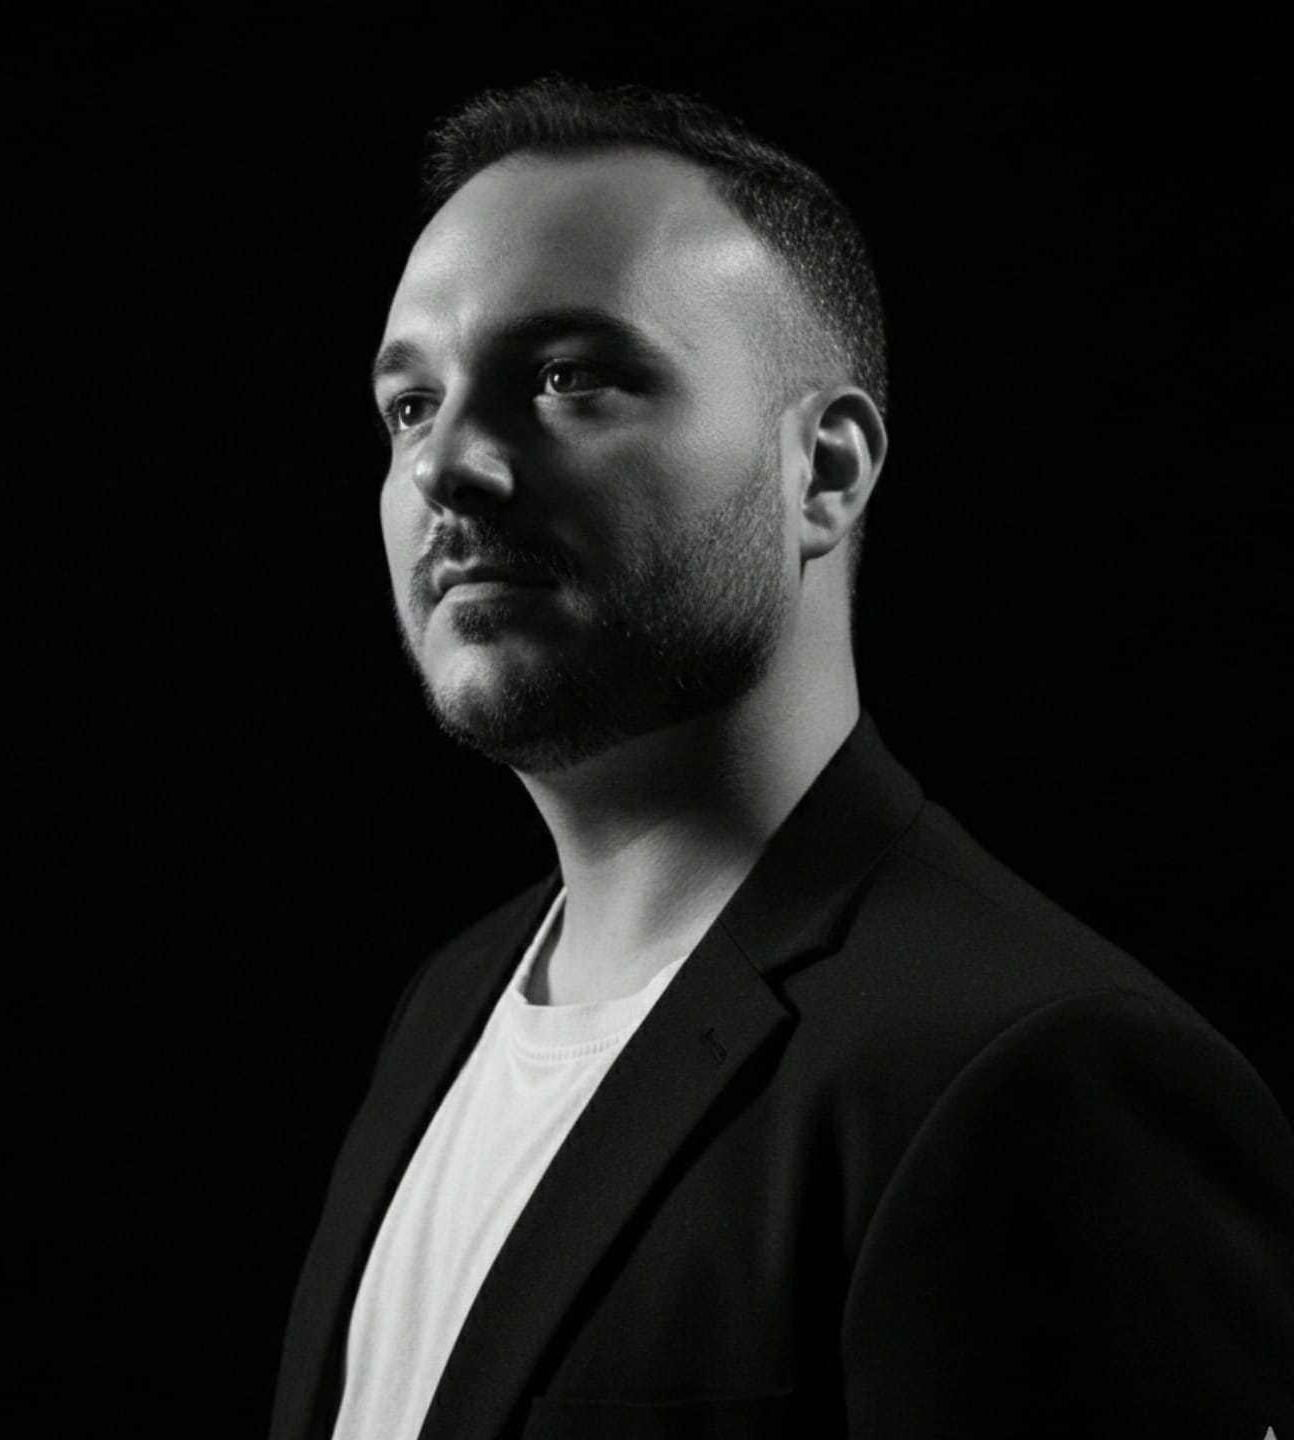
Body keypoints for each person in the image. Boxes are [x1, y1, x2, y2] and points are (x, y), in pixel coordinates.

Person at [269, 78, 1294, 1439]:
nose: (446, 465)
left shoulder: (1037, 1075)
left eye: (568, 377)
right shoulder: (449, 1005)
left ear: (826, 471)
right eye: (409, 405)